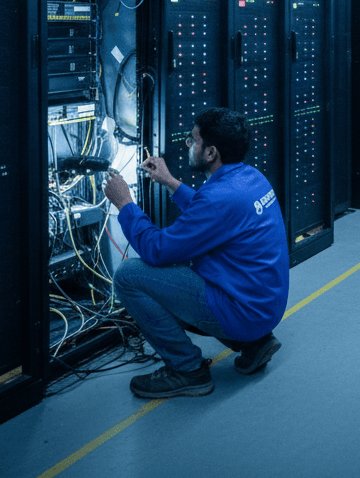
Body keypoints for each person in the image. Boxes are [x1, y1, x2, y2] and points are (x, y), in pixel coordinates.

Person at [103, 107, 288, 399]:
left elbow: (157, 249)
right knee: (190, 273)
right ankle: (255, 344)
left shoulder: (219, 199)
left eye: (193, 140)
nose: (189, 145)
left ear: (211, 152)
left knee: (129, 276)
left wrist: (125, 204)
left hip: (244, 312)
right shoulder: (249, 178)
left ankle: (187, 370)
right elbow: (213, 214)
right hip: (266, 306)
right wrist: (171, 183)